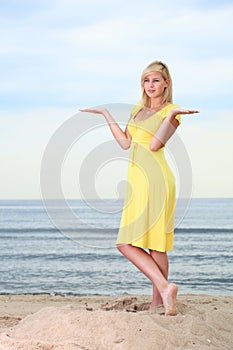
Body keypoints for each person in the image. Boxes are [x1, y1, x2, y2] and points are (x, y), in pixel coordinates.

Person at [81, 60, 199, 316]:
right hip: (137, 180)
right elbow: (125, 143)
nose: (150, 85)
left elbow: (155, 145)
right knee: (141, 244)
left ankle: (163, 292)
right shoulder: (136, 109)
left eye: (156, 80)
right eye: (146, 80)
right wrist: (106, 114)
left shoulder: (173, 110)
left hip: (156, 179)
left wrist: (169, 117)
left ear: (166, 83)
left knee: (141, 244)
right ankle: (161, 299)